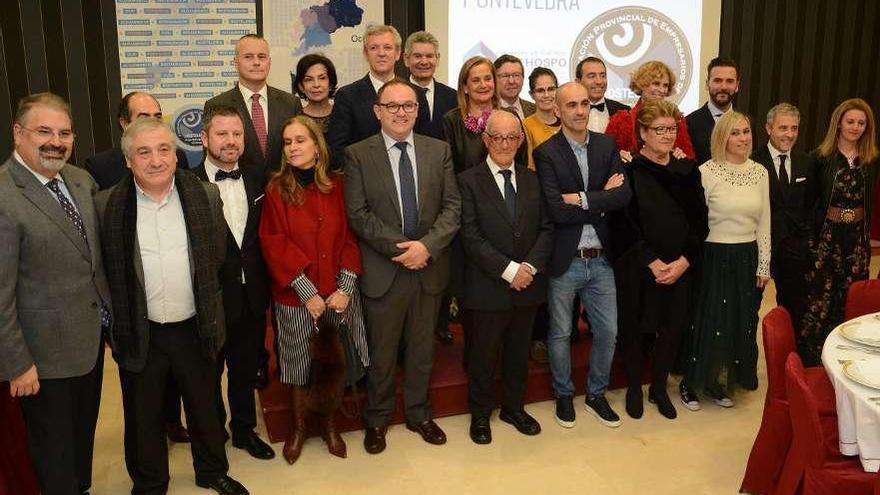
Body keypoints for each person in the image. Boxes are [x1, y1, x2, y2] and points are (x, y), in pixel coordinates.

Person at [97, 118, 248, 495]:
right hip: (140, 327)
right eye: (143, 152)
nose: (156, 160)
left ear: (176, 155)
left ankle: (212, 471)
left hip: (193, 324)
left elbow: (216, 258)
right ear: (128, 160)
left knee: (204, 406)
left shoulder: (205, 196)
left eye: (164, 149)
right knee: (143, 415)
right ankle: (150, 483)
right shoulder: (106, 206)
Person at [0, 92, 111, 495]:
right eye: (43, 131)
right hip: (40, 360)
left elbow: (92, 260)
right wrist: (16, 363)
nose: (56, 141)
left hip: (88, 344)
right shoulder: (4, 195)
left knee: (81, 441)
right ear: (18, 133)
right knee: (52, 455)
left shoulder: (80, 180)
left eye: (64, 132)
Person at [344, 79, 461, 454]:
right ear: (377, 111)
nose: (401, 113)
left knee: (422, 349)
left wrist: (426, 247)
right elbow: (359, 215)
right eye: (392, 106)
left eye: (408, 106)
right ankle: (377, 419)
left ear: (417, 110)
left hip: (429, 267)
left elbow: (452, 208)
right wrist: (403, 249)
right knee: (382, 352)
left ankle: (418, 413)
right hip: (385, 270)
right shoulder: (358, 154)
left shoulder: (438, 151)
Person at [259, 115, 369, 463]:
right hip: (296, 297)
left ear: (317, 147)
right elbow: (273, 243)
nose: (292, 148)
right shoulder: (276, 189)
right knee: (299, 366)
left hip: (338, 294)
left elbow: (352, 238)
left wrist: (345, 288)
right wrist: (308, 294)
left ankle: (330, 425)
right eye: (287, 142)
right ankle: (300, 427)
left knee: (333, 365)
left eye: (299, 141)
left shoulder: (339, 185)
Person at [84, 90, 192, 444]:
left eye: (157, 115)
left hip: (182, 310)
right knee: (141, 402)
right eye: (142, 115)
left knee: (186, 386)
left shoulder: (186, 177)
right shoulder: (99, 172)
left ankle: (175, 426)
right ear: (123, 123)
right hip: (135, 312)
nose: (155, 160)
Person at [534, 82, 631, 429]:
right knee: (560, 333)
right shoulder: (546, 152)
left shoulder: (607, 145)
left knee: (608, 331)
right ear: (556, 110)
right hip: (566, 258)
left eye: (585, 103)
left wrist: (581, 199)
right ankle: (563, 394)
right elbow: (556, 211)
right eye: (571, 105)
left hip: (602, 258)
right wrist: (598, 198)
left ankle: (596, 394)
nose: (579, 110)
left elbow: (623, 197)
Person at [457, 110, 553, 444]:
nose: (505, 143)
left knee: (517, 352)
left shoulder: (532, 179)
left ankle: (514, 407)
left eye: (512, 137)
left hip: (527, 286)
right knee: (483, 356)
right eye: (497, 137)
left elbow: (546, 228)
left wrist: (528, 268)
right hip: (487, 287)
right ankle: (480, 415)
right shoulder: (467, 181)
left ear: (521, 140)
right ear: (485, 140)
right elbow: (469, 235)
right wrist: (509, 270)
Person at [616, 100, 708, 420]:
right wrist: (650, 261)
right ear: (643, 132)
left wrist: (684, 261)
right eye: (660, 130)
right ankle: (633, 388)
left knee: (672, 328)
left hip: (680, 267)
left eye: (672, 129)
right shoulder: (629, 170)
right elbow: (623, 225)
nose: (668, 135)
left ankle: (658, 388)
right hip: (640, 267)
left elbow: (700, 223)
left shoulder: (686, 171)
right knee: (634, 329)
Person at [192, 105, 274, 460]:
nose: (230, 141)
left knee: (244, 369)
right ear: (204, 138)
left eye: (237, 134)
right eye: (222, 134)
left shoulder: (259, 178)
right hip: (209, 298)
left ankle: (244, 430)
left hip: (252, 293)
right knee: (208, 374)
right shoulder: (186, 183)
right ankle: (213, 434)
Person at [680, 111, 770, 411]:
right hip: (713, 255)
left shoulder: (760, 172)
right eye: (735, 133)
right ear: (722, 137)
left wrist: (764, 264)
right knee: (707, 321)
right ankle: (691, 383)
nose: (743, 138)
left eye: (746, 131)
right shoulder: (706, 171)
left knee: (738, 322)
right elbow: (695, 222)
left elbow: (765, 221)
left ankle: (720, 382)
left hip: (747, 256)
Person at [798, 98, 879, 366]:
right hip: (826, 240)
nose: (856, 127)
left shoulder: (870, 160)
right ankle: (813, 360)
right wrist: (811, 243)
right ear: (839, 124)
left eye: (861, 123)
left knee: (851, 298)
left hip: (856, 242)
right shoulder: (819, 159)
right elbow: (808, 205)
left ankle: (845, 359)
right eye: (851, 122)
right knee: (820, 300)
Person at [327, 25, 430, 170]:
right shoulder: (347, 96)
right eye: (374, 48)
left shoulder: (417, 93)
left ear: (398, 53)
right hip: (364, 180)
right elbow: (337, 151)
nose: (381, 53)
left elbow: (426, 145)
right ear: (365, 53)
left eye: (387, 47)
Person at [752, 103, 817, 327]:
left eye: (794, 128)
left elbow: (811, 204)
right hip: (760, 248)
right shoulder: (752, 161)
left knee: (794, 308)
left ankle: (792, 359)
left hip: (796, 250)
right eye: (783, 128)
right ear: (768, 129)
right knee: (751, 307)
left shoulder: (807, 162)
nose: (789, 134)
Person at [204, 34, 302, 175]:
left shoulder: (291, 103)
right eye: (248, 57)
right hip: (239, 191)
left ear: (269, 62)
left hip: (284, 190)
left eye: (262, 57)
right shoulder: (216, 104)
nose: (256, 62)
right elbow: (211, 161)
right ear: (236, 62)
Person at [84, 91, 190, 190]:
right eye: (144, 118)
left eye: (157, 117)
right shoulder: (100, 166)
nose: (152, 123)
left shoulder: (178, 157)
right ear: (125, 124)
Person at [605, 61, 695, 160]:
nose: (662, 90)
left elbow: (689, 159)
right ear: (642, 84)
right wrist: (618, 156)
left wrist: (681, 155)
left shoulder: (677, 120)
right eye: (656, 84)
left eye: (665, 85)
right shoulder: (622, 120)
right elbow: (605, 158)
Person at [403, 30, 458, 139]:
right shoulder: (395, 94)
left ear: (437, 59)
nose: (424, 61)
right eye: (418, 56)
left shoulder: (453, 97)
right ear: (406, 59)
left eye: (429, 56)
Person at [687, 57, 740, 166]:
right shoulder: (689, 123)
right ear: (707, 84)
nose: (723, 87)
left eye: (729, 81)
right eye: (717, 80)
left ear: (737, 86)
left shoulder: (746, 123)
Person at [574, 56, 630, 134]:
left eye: (602, 76)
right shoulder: (567, 113)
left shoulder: (624, 111)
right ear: (578, 82)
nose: (599, 81)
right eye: (592, 76)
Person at [523, 67, 561, 170]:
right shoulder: (525, 126)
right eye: (540, 91)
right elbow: (530, 166)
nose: (546, 95)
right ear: (532, 94)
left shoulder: (567, 122)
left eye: (551, 89)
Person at [293, 53, 337, 133]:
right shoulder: (295, 119)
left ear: (330, 83)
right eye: (309, 80)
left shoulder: (342, 115)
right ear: (301, 86)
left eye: (322, 78)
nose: (316, 85)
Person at [494, 54, 536, 119]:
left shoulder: (535, 110)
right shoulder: (487, 111)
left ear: (523, 78)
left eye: (516, 75)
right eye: (505, 76)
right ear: (495, 79)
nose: (511, 81)